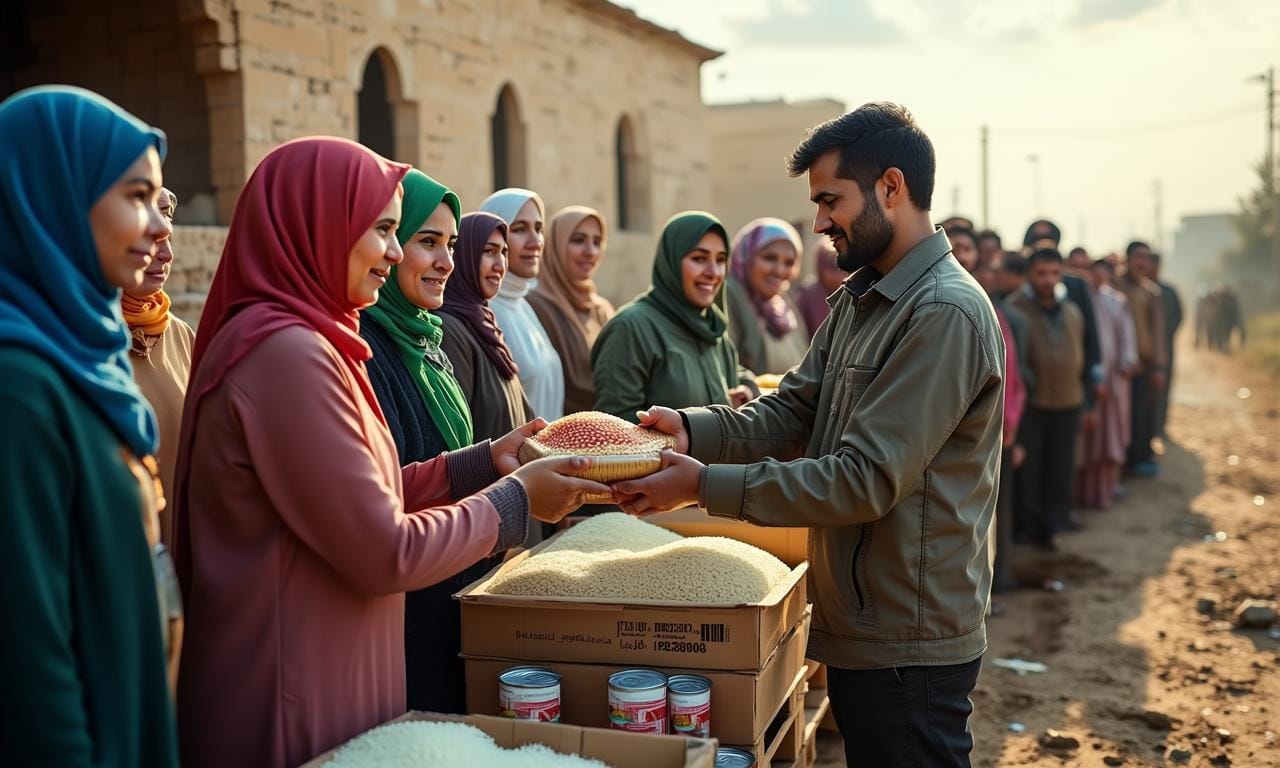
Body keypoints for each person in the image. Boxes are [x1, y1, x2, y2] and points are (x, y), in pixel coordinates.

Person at [172, 137, 606, 768]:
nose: (399, 253)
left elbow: (358, 494)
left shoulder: (316, 341)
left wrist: (481, 463)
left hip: (326, 672)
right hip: (293, 691)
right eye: (382, 229)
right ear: (320, 224)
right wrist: (516, 501)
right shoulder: (286, 355)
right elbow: (384, 547)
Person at [612, 103, 1004, 767]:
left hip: (908, 635)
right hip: (864, 620)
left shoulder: (941, 313)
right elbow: (792, 410)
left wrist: (704, 487)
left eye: (830, 200)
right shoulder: (864, 299)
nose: (820, 222)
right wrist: (690, 430)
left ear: (891, 187)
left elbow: (863, 478)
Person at [0, 85, 178, 767]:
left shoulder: (83, 360)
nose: (161, 226)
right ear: (51, 197)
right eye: (137, 197)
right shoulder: (20, 389)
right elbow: (29, 663)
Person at [358, 169, 498, 714]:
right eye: (427, 241)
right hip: (406, 604)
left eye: (452, 245)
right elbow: (388, 493)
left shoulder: (426, 337)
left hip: (451, 580)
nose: (446, 262)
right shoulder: (366, 346)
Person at [591, 211, 758, 422]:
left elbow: (734, 374)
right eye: (699, 259)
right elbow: (614, 427)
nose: (713, 272)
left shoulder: (712, 328)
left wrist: (746, 391)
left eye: (721, 260)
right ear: (671, 261)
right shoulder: (632, 328)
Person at [123, 186, 196, 544]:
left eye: (168, 234)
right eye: (150, 237)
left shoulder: (181, 338)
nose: (165, 254)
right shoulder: (79, 342)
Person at [1010, 249, 1088, 550]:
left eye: (1054, 273)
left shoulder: (1072, 311)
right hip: (1032, 404)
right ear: (1030, 275)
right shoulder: (1015, 309)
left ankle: (1054, 525)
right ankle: (1030, 526)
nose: (1048, 280)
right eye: (1041, 273)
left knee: (1060, 468)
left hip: (1068, 401)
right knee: (1031, 470)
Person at [438, 212, 536, 443]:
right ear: (464, 256)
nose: (500, 265)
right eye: (488, 252)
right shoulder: (449, 330)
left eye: (504, 252)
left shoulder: (485, 324)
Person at [480, 188, 565, 419]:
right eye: (519, 229)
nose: (535, 241)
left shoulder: (523, 305)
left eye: (539, 229)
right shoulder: (486, 312)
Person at [527, 205, 616, 414]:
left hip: (615, 434)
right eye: (578, 240)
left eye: (596, 242)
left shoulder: (602, 309)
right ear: (555, 246)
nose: (590, 251)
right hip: (564, 437)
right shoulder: (536, 306)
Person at [973, 256, 1027, 594]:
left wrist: (1011, 424)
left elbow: (1013, 378)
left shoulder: (996, 315)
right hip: (961, 436)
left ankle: (997, 581)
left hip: (997, 432)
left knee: (996, 514)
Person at [1076, 259, 1138, 508]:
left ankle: (1107, 492)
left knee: (1110, 439)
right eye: (1095, 272)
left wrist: (1125, 364)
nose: (1099, 277)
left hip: (1114, 384)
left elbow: (1127, 340)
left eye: (1104, 272)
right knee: (1088, 443)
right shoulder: (1082, 300)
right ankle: (1084, 495)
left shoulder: (1117, 301)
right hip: (1088, 383)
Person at [725, 217, 811, 374]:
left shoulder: (783, 305)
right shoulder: (729, 297)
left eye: (789, 263)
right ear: (746, 256)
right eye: (769, 258)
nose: (779, 271)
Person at [1115, 240, 1167, 476]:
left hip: (1144, 365)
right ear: (1128, 259)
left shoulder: (1151, 292)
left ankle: (1138, 459)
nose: (1142, 262)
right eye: (1138, 257)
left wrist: (1159, 366)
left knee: (1141, 414)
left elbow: (1157, 333)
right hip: (1117, 365)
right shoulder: (1115, 285)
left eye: (1146, 257)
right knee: (1119, 417)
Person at [1150, 252, 1182, 438]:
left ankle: (1160, 426)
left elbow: (1178, 316)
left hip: (1166, 348)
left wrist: (1165, 333)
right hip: (1144, 351)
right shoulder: (1141, 291)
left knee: (1164, 388)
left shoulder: (1169, 291)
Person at [791, 235, 847, 337]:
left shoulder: (850, 296)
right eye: (833, 268)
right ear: (820, 268)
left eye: (845, 269)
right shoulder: (808, 296)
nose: (841, 277)